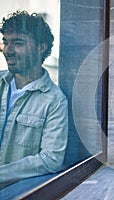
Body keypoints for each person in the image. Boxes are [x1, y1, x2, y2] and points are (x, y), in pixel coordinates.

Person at [0, 10, 68, 189]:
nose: (8, 50)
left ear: (41, 47)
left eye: (18, 43)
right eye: (6, 42)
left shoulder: (54, 101)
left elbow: (51, 160)